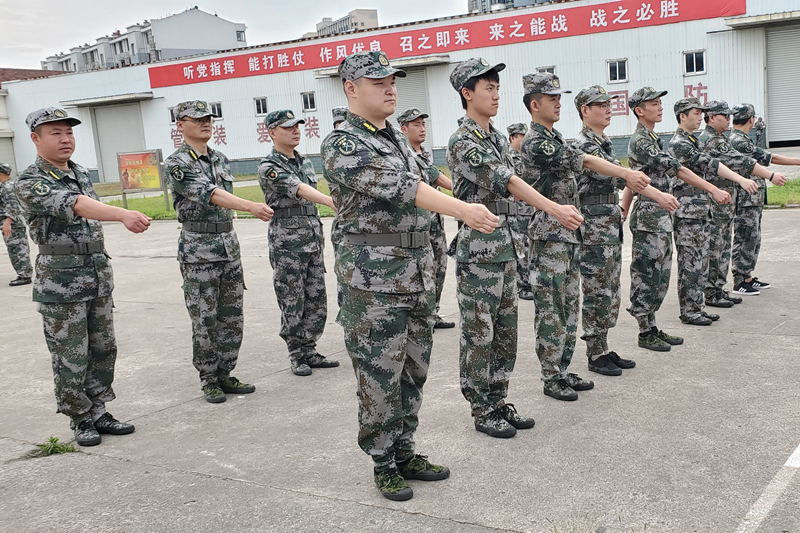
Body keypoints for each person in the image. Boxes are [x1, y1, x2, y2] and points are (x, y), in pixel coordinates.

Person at [322, 50, 499, 501]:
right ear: (351, 88)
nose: (389, 88)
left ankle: (405, 449)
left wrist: (466, 191)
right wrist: (464, 210)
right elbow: (403, 188)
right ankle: (383, 462)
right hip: (374, 283)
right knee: (380, 374)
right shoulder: (345, 143)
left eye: (392, 80)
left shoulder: (396, 139)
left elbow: (428, 176)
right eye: (378, 81)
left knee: (413, 369)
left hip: (417, 275)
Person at [448, 59, 581, 429]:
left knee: (505, 333)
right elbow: (507, 181)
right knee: (480, 332)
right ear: (466, 93)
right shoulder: (463, 140)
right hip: (479, 252)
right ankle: (481, 408)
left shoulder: (493, 137)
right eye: (487, 87)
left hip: (505, 247)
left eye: (496, 87)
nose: (495, 94)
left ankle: (498, 399)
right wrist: (553, 208)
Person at [15, 107, 151, 446]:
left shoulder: (79, 172)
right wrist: (122, 214)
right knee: (70, 353)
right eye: (55, 133)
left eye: (69, 132)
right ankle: (79, 418)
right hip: (61, 283)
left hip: (96, 275)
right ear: (35, 138)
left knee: (103, 348)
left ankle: (100, 410)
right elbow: (75, 205)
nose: (65, 139)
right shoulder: (31, 181)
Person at [520, 75, 655, 397]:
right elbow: (583, 161)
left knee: (567, 308)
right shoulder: (536, 141)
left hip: (569, 234)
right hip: (549, 236)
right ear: (534, 104)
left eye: (558, 96)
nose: (557, 102)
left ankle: (564, 370)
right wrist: (625, 173)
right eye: (551, 97)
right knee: (553, 311)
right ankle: (552, 377)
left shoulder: (555, 137)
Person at [165, 100, 273, 404]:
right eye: (197, 119)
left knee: (232, 315)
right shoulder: (178, 163)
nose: (205, 123)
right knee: (205, 317)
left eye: (208, 119)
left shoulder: (220, 159)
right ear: (180, 125)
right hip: (199, 250)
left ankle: (226, 372)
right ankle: (208, 378)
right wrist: (251, 206)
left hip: (227, 246)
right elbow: (209, 193)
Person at [571, 86, 678, 376]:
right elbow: (616, 176)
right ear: (585, 110)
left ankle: (604, 346)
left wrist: (623, 206)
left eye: (609, 104)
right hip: (593, 224)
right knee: (596, 288)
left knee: (610, 287)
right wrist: (657, 195)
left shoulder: (603, 142)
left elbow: (625, 182)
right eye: (601, 105)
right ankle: (594, 353)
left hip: (608, 222)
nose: (608, 109)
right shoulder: (584, 144)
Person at [621, 88, 730, 352]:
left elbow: (633, 177)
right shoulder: (641, 141)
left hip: (660, 215)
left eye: (660, 103)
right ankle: (645, 331)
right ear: (639, 110)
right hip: (649, 214)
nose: (660, 108)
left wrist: (623, 208)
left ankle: (652, 326)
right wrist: (712, 188)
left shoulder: (652, 138)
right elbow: (677, 169)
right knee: (647, 273)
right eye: (654, 104)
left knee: (660, 275)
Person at [258, 109, 338, 376]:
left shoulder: (305, 162)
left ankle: (310, 349)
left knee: (316, 298)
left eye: (297, 126)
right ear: (271, 132)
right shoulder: (269, 167)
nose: (295, 130)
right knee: (293, 298)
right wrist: (328, 200)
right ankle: (296, 354)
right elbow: (298, 188)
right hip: (287, 243)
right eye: (287, 127)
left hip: (312, 239)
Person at [667, 98, 758, 325]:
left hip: (700, 210)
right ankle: (689, 311)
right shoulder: (680, 144)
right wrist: (736, 180)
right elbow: (709, 165)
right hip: (687, 211)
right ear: (682, 116)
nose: (701, 117)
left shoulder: (693, 141)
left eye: (701, 113)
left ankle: (698, 305)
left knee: (701, 261)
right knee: (691, 263)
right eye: (696, 113)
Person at [698, 101, 784, 299]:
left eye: (730, 116)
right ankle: (715, 290)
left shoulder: (721, 139)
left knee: (723, 246)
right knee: (717, 247)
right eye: (725, 116)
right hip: (716, 203)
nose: (729, 120)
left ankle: (719, 289)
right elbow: (743, 161)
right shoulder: (712, 140)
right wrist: (770, 176)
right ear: (712, 118)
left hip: (725, 202)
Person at [398, 107, 455, 330]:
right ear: (404, 129)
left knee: (440, 267)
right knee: (423, 271)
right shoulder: (403, 156)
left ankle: (433, 313)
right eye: (416, 125)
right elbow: (433, 179)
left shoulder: (424, 154)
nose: (422, 129)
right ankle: (421, 316)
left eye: (423, 124)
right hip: (416, 225)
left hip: (435, 223)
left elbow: (436, 175)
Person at [729, 104, 795, 293]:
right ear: (751, 119)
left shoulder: (740, 139)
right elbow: (770, 158)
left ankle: (747, 276)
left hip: (752, 197)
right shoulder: (739, 141)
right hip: (745, 198)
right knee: (746, 236)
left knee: (753, 237)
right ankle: (740, 279)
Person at [506, 122, 534, 301]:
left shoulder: (525, 157)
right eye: (522, 137)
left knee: (528, 244)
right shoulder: (509, 158)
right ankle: (522, 285)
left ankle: (527, 281)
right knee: (521, 245)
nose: (525, 140)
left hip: (527, 207)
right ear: (512, 138)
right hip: (517, 209)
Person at [0, 162, 33, 286]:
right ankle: (23, 274)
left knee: (17, 249)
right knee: (17, 248)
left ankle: (25, 275)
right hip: (12, 222)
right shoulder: (9, 184)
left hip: (12, 223)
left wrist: (7, 223)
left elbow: (13, 206)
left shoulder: (7, 187)